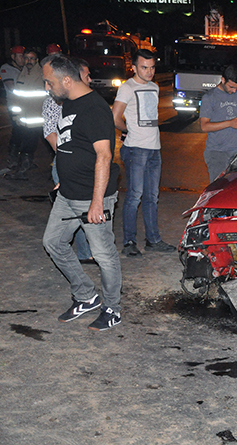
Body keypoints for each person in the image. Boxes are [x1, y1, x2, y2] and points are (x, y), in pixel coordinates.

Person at [41, 54, 122, 330]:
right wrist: (64, 178)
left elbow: (103, 155)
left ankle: (112, 308)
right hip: (68, 194)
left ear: (66, 79)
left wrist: (97, 202)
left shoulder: (94, 109)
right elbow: (70, 145)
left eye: (49, 82)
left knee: (103, 254)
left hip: (92, 197)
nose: (47, 88)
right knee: (53, 242)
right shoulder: (68, 104)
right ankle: (86, 296)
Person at [112, 49, 176, 257]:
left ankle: (153, 240)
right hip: (136, 149)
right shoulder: (127, 88)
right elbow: (115, 117)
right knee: (134, 197)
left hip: (154, 149)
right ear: (134, 67)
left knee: (152, 197)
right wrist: (128, 130)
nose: (149, 72)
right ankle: (129, 241)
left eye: (152, 67)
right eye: (144, 67)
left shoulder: (154, 87)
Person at [43, 58, 95, 264]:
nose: (89, 79)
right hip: (66, 163)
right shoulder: (55, 101)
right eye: (86, 75)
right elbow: (49, 133)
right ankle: (84, 252)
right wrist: (68, 156)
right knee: (75, 210)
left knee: (80, 209)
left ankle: (85, 251)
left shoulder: (82, 102)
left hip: (78, 163)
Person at [199, 64, 237, 182]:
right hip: (217, 153)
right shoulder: (209, 97)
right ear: (222, 80)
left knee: (236, 190)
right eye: (231, 87)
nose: (234, 90)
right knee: (219, 189)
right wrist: (230, 123)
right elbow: (204, 126)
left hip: (236, 151)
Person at [6, 48, 43, 180]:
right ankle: (19, 167)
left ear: (37, 60)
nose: (29, 61)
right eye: (26, 58)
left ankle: (23, 171)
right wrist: (16, 115)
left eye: (32, 58)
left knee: (29, 145)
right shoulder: (22, 73)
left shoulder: (41, 75)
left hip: (36, 119)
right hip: (22, 118)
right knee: (22, 142)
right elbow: (17, 97)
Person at [1, 45, 25, 170]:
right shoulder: (6, 69)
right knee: (18, 131)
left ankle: (25, 160)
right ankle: (13, 159)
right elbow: (11, 87)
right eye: (20, 56)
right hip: (15, 105)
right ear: (13, 57)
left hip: (27, 105)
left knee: (28, 133)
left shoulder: (25, 69)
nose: (23, 59)